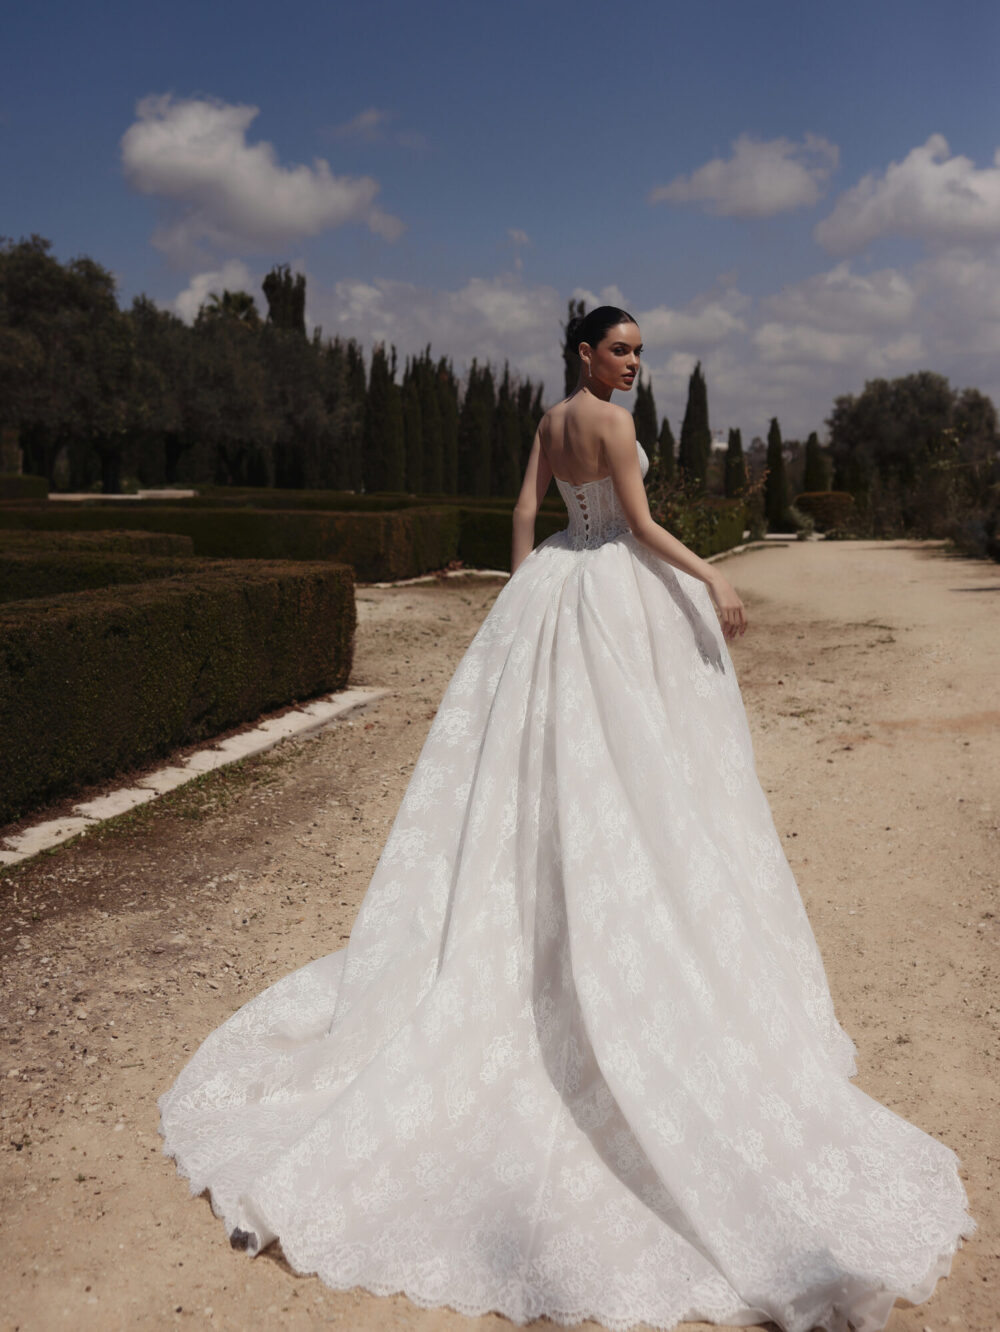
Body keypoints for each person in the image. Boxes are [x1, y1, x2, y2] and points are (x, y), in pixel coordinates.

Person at [159, 306, 975, 1332]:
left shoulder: (548, 423)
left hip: (552, 589)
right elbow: (636, 530)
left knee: (540, 769)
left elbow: (521, 510)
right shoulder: (617, 429)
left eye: (639, 353)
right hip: (612, 591)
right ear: (585, 354)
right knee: (640, 767)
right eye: (620, 350)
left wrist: (519, 593)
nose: (633, 365)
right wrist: (713, 571)